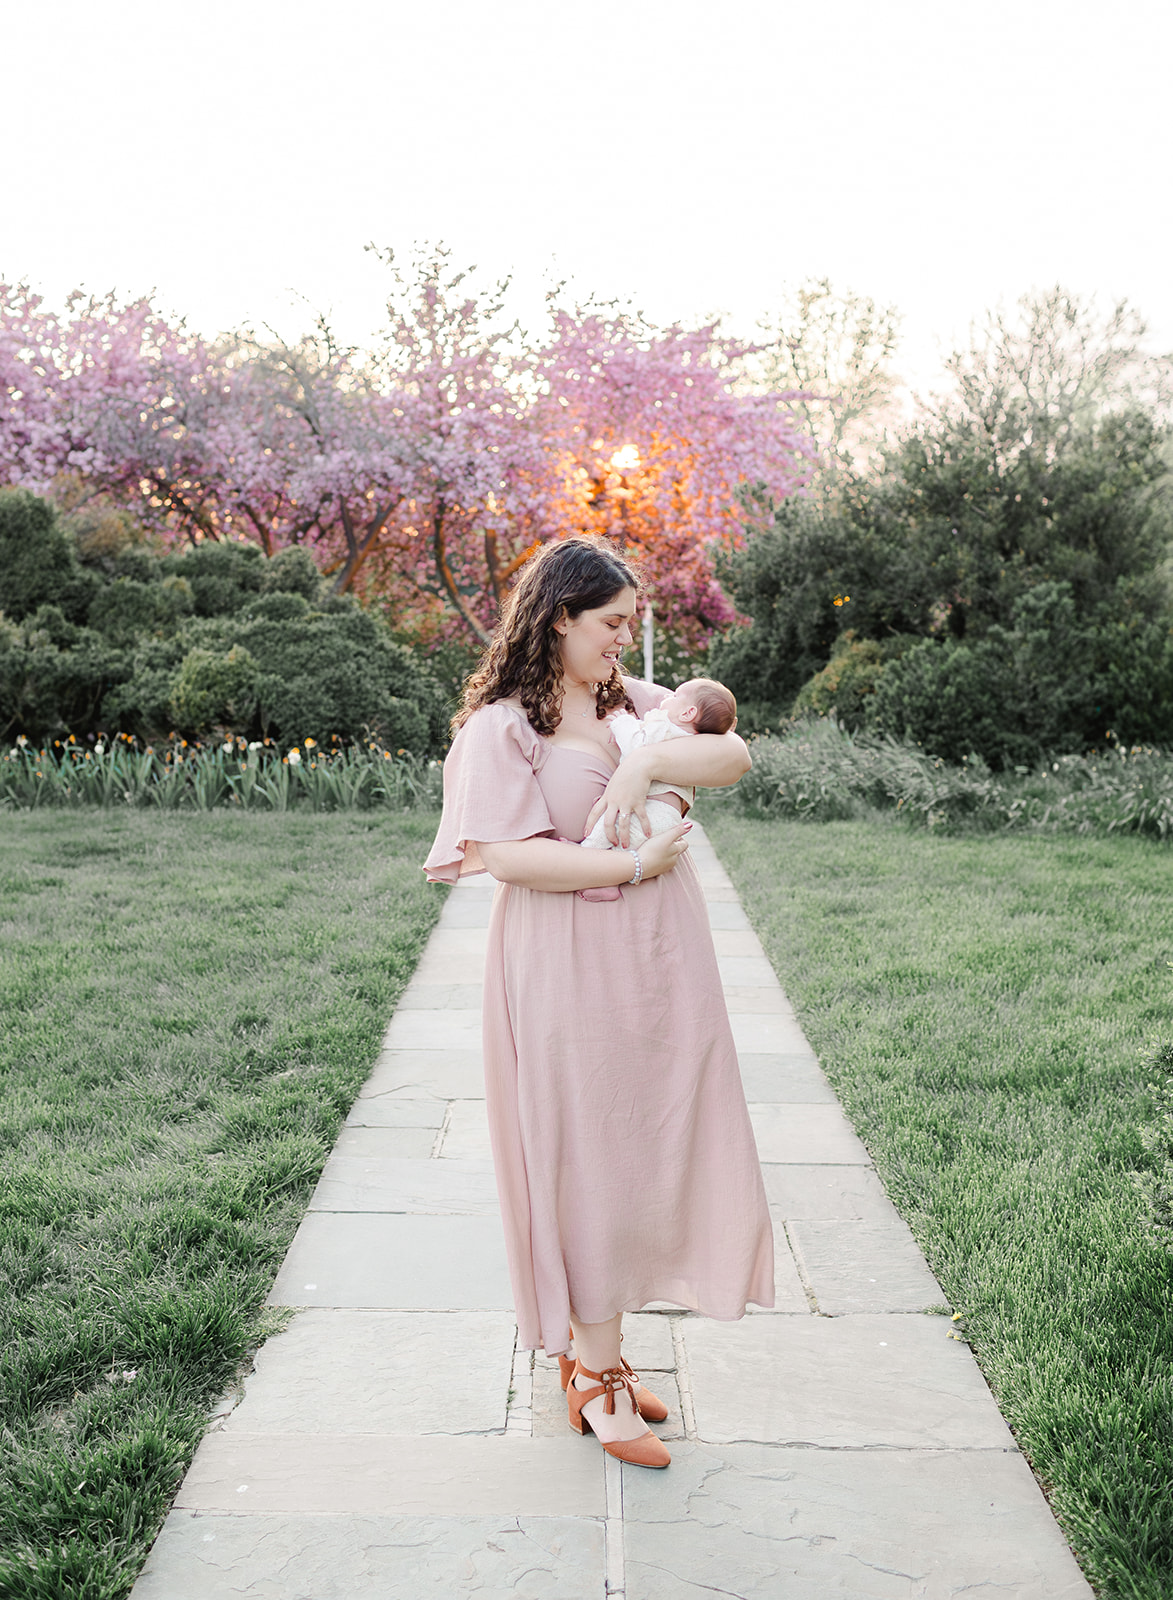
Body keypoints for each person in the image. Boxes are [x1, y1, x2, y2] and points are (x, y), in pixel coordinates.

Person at [424, 537, 775, 1471]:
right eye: (611, 623)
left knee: (647, 1146)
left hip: (661, 962)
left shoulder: (633, 705)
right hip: (565, 964)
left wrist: (634, 771)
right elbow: (507, 857)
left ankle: (600, 1358)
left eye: (630, 623)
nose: (625, 640)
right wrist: (630, 859)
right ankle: (594, 1375)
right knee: (585, 1157)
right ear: (557, 619)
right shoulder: (500, 729)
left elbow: (732, 754)